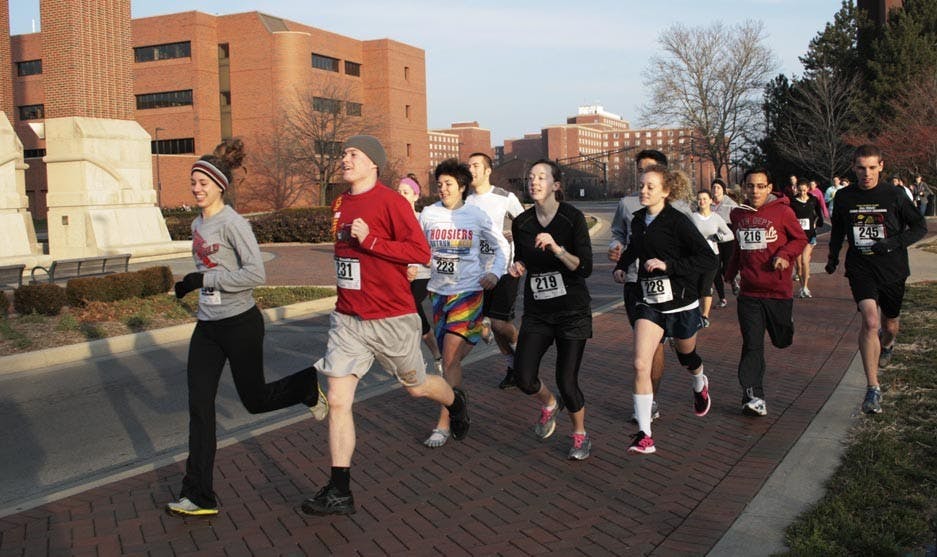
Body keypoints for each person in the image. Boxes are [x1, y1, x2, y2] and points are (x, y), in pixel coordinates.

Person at [301, 136, 471, 516]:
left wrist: (373, 240)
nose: (344, 159)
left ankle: (454, 400)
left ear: (372, 164)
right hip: (348, 319)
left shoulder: (392, 202)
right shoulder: (341, 202)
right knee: (340, 400)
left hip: (391, 318)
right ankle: (340, 489)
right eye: (344, 153)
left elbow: (419, 253)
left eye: (352, 154)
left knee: (415, 387)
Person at [166, 138, 329, 517]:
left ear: (220, 186)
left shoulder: (233, 223)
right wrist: (196, 284)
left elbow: (255, 273)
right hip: (207, 327)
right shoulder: (197, 223)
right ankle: (199, 495)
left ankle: (305, 386)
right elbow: (211, 270)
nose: (196, 188)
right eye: (193, 182)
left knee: (254, 400)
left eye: (203, 183)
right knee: (200, 408)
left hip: (240, 324)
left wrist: (201, 281)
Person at [613, 165, 717, 454]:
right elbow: (635, 248)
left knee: (687, 356)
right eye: (641, 186)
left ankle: (699, 381)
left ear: (666, 191)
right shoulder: (637, 220)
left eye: (651, 187)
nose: (643, 191)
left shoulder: (678, 222)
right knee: (640, 363)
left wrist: (668, 266)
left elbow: (708, 260)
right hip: (649, 301)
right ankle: (645, 435)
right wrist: (622, 266)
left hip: (682, 301)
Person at [825, 144, 927, 414]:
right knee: (870, 321)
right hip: (861, 267)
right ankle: (872, 388)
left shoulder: (895, 195)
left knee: (889, 325)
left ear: (881, 166)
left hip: (892, 269)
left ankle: (889, 343)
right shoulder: (845, 197)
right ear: (853, 167)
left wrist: (892, 243)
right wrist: (833, 256)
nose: (866, 173)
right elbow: (837, 230)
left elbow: (920, 227)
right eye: (861, 167)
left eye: (872, 167)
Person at [509, 160, 594, 460]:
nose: (534, 182)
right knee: (523, 376)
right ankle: (548, 404)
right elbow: (524, 258)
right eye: (531, 177)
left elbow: (584, 267)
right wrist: (518, 265)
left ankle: (580, 435)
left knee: (567, 381)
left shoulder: (572, 219)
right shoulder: (522, 223)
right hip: (538, 312)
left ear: (556, 185)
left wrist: (557, 249)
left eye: (542, 177)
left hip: (572, 311)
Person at [420, 158, 505, 448]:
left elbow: (500, 246)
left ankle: (445, 421)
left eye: (448, 184)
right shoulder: (429, 214)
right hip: (438, 294)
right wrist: (415, 265)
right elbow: (419, 249)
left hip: (468, 292)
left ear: (462, 186)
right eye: (439, 184)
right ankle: (480, 329)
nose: (442, 189)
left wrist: (495, 272)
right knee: (450, 359)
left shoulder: (476, 215)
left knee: (449, 360)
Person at [725, 169, 807, 416]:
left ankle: (786, 326)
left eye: (761, 186)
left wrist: (784, 255)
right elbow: (739, 248)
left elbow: (800, 239)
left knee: (782, 340)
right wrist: (729, 274)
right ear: (744, 188)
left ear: (769, 188)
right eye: (750, 186)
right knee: (752, 344)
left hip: (778, 291)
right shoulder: (738, 214)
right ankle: (752, 395)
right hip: (750, 293)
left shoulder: (783, 211)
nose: (755, 191)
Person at [608, 149, 668, 423]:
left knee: (656, 345)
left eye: (650, 169)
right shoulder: (627, 204)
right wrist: (616, 248)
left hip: (665, 285)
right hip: (634, 281)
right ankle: (648, 401)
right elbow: (618, 233)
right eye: (640, 170)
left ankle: (651, 398)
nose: (644, 177)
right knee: (646, 346)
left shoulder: (677, 206)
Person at [466, 152, 525, 389]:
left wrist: (517, 243)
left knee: (500, 324)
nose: (471, 169)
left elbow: (525, 225)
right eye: (468, 165)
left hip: (504, 269)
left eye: (476, 165)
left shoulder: (505, 197)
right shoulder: (465, 201)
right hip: (476, 272)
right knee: (486, 322)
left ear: (488, 170)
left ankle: (524, 356)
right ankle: (512, 367)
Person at [397, 175, 443, 375]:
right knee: (412, 315)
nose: (401, 196)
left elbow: (429, 249)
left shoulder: (422, 219)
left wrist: (415, 264)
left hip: (423, 273)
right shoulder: (392, 221)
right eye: (398, 192)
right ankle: (436, 355)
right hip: (400, 275)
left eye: (405, 193)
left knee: (410, 308)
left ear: (415, 196)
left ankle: (418, 360)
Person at [691, 189, 734, 327]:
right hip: (695, 257)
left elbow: (730, 234)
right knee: (695, 287)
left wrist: (719, 237)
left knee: (706, 286)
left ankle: (704, 316)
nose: (702, 201)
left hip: (712, 257)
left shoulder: (716, 218)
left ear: (710, 200)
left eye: (704, 199)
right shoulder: (692, 217)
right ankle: (694, 313)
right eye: (699, 199)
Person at [791, 180, 824, 298]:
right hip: (796, 236)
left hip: (810, 235)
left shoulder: (813, 200)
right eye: (800, 190)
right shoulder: (792, 201)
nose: (802, 192)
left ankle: (805, 287)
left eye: (804, 190)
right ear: (796, 189)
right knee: (799, 265)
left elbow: (819, 214)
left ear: (808, 189)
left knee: (805, 261)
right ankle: (801, 287)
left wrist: (817, 223)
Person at [711, 179, 739, 308]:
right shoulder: (708, 203)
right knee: (715, 268)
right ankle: (722, 298)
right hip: (713, 239)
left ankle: (732, 280)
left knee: (726, 267)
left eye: (718, 187)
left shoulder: (730, 204)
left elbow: (738, 220)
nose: (715, 190)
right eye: (714, 187)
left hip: (727, 239)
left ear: (723, 190)